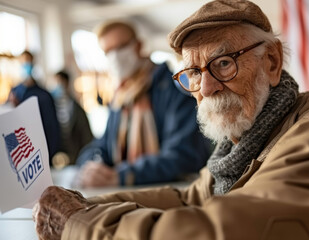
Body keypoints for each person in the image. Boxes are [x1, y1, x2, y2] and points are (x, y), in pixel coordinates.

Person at [33, 0, 309, 239]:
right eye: (192, 72)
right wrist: (85, 204)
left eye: (223, 63)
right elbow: (189, 197)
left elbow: (225, 232)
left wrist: (80, 225)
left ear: (272, 61)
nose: (205, 87)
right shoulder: (243, 143)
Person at [74, 20, 211, 187]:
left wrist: (123, 176)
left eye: (120, 47)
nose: (115, 57)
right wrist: (94, 164)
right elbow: (103, 145)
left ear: (138, 46)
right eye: (107, 52)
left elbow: (183, 156)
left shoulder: (174, 89)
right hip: (126, 193)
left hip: (171, 193)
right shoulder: (120, 98)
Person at [8, 50, 60, 163]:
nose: (25, 65)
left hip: (42, 148)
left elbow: (52, 127)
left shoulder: (44, 94)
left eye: (28, 62)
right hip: (21, 151)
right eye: (23, 63)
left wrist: (51, 154)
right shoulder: (14, 94)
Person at [51, 70, 93, 165]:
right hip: (56, 157)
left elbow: (86, 135)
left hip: (75, 157)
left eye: (60, 82)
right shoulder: (49, 107)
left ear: (67, 83)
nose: (58, 85)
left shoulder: (76, 108)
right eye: (55, 82)